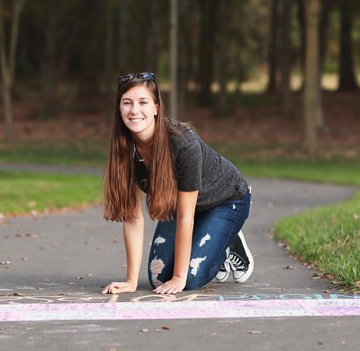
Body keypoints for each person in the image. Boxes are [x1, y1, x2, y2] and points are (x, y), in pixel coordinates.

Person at [102, 72, 253, 295]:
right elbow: (133, 218)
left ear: (156, 108)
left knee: (189, 280)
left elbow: (185, 216)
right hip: (181, 207)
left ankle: (228, 242)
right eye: (127, 103)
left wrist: (180, 277)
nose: (134, 110)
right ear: (119, 109)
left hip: (225, 201)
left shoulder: (182, 143)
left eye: (143, 102)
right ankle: (208, 237)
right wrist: (131, 281)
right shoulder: (124, 149)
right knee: (158, 278)